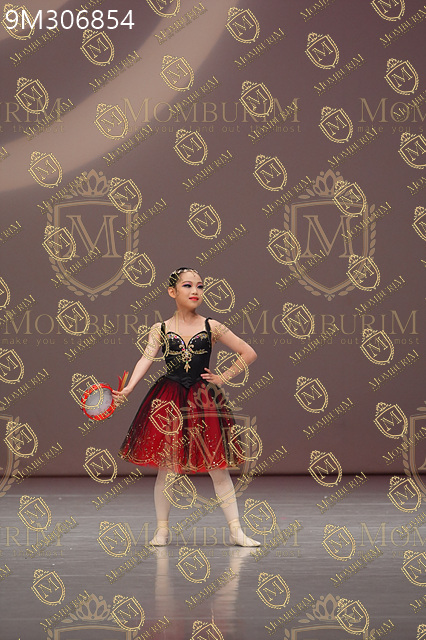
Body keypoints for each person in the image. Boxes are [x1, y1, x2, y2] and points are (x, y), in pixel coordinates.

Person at [112, 267, 261, 547]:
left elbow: (248, 352)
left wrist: (223, 377)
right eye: (188, 285)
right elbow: (146, 358)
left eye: (200, 286)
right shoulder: (160, 329)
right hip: (168, 401)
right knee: (167, 469)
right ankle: (162, 531)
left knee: (218, 468)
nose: (195, 291)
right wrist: (129, 388)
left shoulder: (212, 326)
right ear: (172, 291)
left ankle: (236, 531)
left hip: (204, 401)